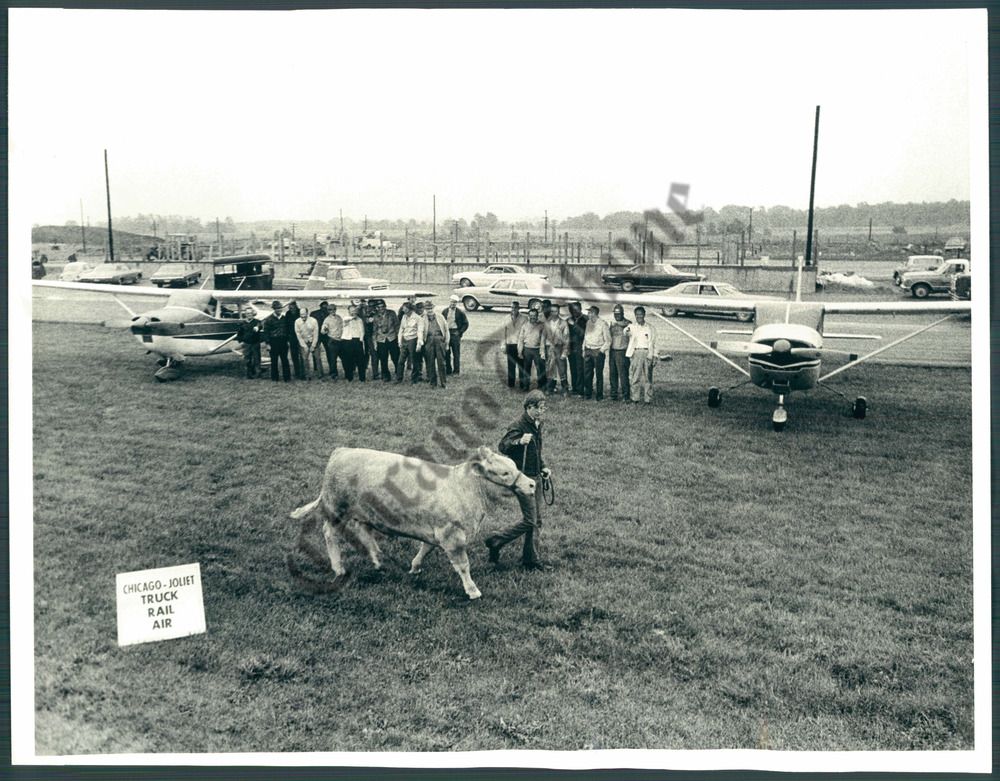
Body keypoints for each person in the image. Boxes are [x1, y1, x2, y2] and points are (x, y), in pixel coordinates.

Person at [484, 390, 552, 570]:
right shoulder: (518, 425)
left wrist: (543, 466)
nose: (542, 411)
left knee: (536, 520)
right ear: (529, 407)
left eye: (543, 408)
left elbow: (537, 450)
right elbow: (503, 446)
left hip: (535, 475)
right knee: (531, 520)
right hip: (522, 478)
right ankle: (496, 540)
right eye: (539, 408)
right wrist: (519, 441)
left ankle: (530, 559)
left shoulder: (537, 423)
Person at [625, 306, 657, 404]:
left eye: (641, 314)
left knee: (648, 377)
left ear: (644, 314)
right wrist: (626, 331)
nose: (639, 316)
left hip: (647, 352)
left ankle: (648, 399)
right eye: (637, 314)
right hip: (636, 353)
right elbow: (626, 332)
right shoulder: (632, 326)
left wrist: (654, 355)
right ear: (635, 315)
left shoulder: (650, 328)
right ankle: (635, 398)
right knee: (635, 376)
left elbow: (654, 342)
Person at [582, 305, 611, 401]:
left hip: (598, 351)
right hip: (588, 350)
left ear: (594, 313)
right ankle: (588, 394)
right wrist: (584, 349)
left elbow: (608, 341)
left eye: (590, 312)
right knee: (587, 374)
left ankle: (599, 396)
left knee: (599, 374)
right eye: (588, 312)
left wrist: (601, 350)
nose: (588, 314)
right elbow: (586, 336)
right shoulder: (588, 322)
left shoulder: (603, 324)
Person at [517, 307, 548, 392]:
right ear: (528, 316)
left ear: (537, 316)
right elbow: (520, 339)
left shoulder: (541, 326)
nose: (532, 317)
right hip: (527, 350)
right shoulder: (524, 326)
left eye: (534, 316)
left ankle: (541, 386)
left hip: (537, 350)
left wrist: (542, 352)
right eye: (531, 315)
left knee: (540, 369)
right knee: (526, 369)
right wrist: (520, 351)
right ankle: (526, 386)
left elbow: (543, 340)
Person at [543, 303, 569, 396]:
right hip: (549, 348)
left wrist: (564, 352)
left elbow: (566, 339)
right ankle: (550, 388)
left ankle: (565, 389)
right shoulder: (547, 322)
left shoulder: (563, 323)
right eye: (552, 311)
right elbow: (543, 337)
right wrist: (542, 351)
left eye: (556, 311)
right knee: (550, 368)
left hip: (560, 348)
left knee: (562, 369)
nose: (554, 313)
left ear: (558, 312)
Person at [422, 300, 450, 388]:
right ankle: (432, 383)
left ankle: (443, 383)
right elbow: (420, 331)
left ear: (433, 308)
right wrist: (421, 342)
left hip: (439, 339)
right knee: (430, 362)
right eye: (427, 309)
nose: (429, 310)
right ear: (425, 310)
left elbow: (446, 330)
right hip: (429, 340)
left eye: (430, 308)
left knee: (441, 362)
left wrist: (447, 343)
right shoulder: (422, 318)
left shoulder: (440, 317)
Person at [262, 300, 291, 382]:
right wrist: (267, 344)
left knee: (285, 360)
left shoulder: (284, 318)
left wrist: (288, 341)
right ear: (274, 309)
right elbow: (266, 332)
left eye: (280, 308)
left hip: (283, 341)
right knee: (274, 361)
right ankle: (274, 378)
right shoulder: (269, 319)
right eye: (277, 308)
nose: (279, 310)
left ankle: (287, 378)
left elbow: (287, 330)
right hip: (273, 342)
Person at [396, 301, 424, 384]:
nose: (403, 309)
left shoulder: (418, 318)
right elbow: (401, 329)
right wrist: (399, 341)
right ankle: (399, 378)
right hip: (405, 339)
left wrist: (419, 343)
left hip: (413, 340)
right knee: (401, 360)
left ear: (409, 309)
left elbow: (420, 331)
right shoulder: (404, 317)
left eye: (404, 308)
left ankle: (414, 379)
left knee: (414, 360)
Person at [608, 304, 632, 401]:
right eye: (615, 314)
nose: (617, 316)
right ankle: (613, 394)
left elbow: (629, 331)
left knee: (623, 374)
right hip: (612, 351)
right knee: (612, 374)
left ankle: (626, 395)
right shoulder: (612, 324)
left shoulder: (628, 323)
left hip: (622, 351)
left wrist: (618, 324)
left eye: (619, 313)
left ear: (623, 313)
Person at [503, 301, 528, 390]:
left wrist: (524, 344)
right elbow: (504, 332)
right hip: (510, 344)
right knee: (511, 365)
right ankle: (511, 384)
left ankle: (522, 384)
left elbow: (526, 332)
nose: (513, 309)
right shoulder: (506, 318)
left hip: (520, 344)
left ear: (518, 308)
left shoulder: (524, 318)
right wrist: (503, 345)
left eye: (515, 308)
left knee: (521, 365)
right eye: (512, 308)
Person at [373, 300, 400, 381]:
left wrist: (398, 338)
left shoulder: (392, 313)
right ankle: (385, 375)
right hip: (381, 339)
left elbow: (397, 325)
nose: (381, 308)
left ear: (385, 306)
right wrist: (374, 342)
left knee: (395, 357)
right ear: (376, 308)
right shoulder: (375, 316)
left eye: (383, 306)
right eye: (379, 307)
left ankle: (398, 373)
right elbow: (374, 330)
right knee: (383, 358)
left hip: (392, 338)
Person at [444, 294, 469, 376]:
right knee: (446, 352)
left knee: (456, 353)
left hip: (455, 334)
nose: (453, 304)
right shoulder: (445, 311)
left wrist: (460, 332)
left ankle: (456, 371)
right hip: (447, 333)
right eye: (452, 302)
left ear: (457, 303)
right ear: (449, 302)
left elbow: (466, 323)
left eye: (455, 302)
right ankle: (448, 370)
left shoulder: (460, 312)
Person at [340, 303, 366, 381]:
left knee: (360, 360)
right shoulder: (346, 318)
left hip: (357, 340)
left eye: (355, 311)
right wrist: (352, 316)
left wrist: (361, 340)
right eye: (351, 311)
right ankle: (349, 377)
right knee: (348, 359)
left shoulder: (360, 320)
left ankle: (362, 377)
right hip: (347, 341)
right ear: (348, 311)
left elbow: (362, 331)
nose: (353, 312)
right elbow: (346, 320)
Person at [566, 301, 587, 396]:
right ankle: (574, 388)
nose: (574, 311)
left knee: (580, 369)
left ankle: (580, 389)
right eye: (572, 310)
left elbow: (583, 333)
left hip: (580, 347)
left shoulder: (585, 319)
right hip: (571, 347)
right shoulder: (568, 320)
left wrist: (574, 325)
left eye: (576, 309)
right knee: (572, 368)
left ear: (580, 309)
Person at [295, 306, 321, 379]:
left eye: (304, 314)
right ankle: (307, 375)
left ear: (307, 313)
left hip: (313, 340)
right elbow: (298, 335)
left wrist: (313, 345)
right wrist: (304, 346)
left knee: (318, 358)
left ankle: (320, 375)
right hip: (303, 342)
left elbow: (316, 333)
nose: (302, 316)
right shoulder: (297, 321)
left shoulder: (313, 321)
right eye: (301, 314)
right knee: (304, 359)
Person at [236, 306, 262, 379]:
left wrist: (258, 327)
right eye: (247, 313)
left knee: (257, 359)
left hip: (255, 343)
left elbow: (260, 326)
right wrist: (240, 341)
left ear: (253, 314)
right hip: (247, 344)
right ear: (245, 314)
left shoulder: (257, 322)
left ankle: (258, 373)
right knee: (247, 359)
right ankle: (248, 374)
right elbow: (239, 333)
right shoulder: (242, 323)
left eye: (250, 313)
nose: (249, 314)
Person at [320, 303, 343, 380]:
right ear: (328, 311)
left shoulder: (339, 317)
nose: (332, 311)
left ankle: (348, 372)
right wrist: (325, 330)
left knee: (344, 357)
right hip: (332, 340)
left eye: (334, 309)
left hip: (340, 340)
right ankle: (334, 374)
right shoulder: (327, 319)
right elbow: (323, 331)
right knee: (333, 359)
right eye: (330, 310)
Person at [285, 300, 304, 380]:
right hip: (292, 337)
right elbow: (286, 325)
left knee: (302, 355)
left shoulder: (300, 312)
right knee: (294, 355)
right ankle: (297, 372)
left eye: (292, 305)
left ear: (295, 305)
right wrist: (287, 338)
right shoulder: (288, 314)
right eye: (290, 306)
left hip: (301, 336)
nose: (291, 307)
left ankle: (303, 373)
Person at [312, 301, 331, 377]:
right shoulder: (314, 313)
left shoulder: (329, 313)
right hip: (317, 334)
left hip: (326, 335)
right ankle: (316, 367)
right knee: (316, 351)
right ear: (320, 306)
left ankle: (330, 367)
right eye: (323, 305)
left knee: (329, 351)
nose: (325, 307)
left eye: (326, 305)